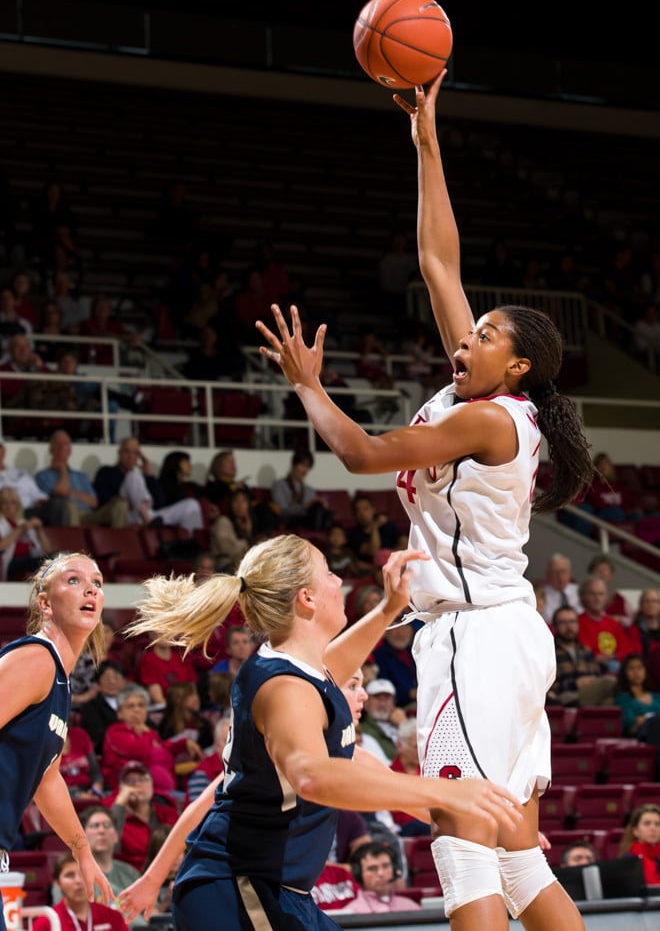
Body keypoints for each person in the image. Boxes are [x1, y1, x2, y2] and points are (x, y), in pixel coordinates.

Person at [255, 71, 594, 931]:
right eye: (472, 329)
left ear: (517, 367)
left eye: (485, 337)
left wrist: (308, 388)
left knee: (456, 835)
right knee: (516, 857)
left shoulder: (487, 422)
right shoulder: (481, 393)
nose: (467, 337)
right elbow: (439, 259)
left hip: (477, 636)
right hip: (503, 631)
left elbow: (364, 453)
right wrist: (426, 137)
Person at [116, 536, 522, 930]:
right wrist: (448, 791)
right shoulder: (286, 690)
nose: (339, 581)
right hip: (238, 887)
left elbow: (340, 666)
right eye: (328, 573)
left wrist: (388, 609)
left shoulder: (305, 672)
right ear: (306, 598)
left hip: (274, 891)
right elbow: (312, 777)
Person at [0, 551, 113, 912]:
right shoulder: (36, 658)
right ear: (45, 604)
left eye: (96, 582)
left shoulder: (59, 681)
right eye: (74, 580)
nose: (90, 590)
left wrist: (83, 855)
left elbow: (47, 780)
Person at [51, 806, 147, 928]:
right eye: (95, 826)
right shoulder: (71, 872)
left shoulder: (130, 872)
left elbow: (150, 912)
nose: (101, 831)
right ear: (83, 835)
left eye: (107, 825)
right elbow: (62, 914)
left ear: (116, 835)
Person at [101, 684, 203, 795]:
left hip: (164, 791)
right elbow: (137, 750)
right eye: (131, 706)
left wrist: (183, 744)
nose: (137, 710)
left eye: (141, 705)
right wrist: (147, 733)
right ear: (119, 713)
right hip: (132, 792)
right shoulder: (115, 732)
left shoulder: (148, 732)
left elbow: (161, 748)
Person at [93, 437, 204, 535]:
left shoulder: (145, 477)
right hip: (127, 513)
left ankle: (192, 544)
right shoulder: (107, 471)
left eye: (135, 453)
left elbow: (160, 502)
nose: (131, 456)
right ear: (119, 453)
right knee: (133, 475)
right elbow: (102, 499)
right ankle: (148, 520)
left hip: (151, 515)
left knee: (192, 504)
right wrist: (118, 499)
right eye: (127, 451)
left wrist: (149, 473)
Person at [36, 429, 130, 528]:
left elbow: (94, 502)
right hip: (65, 514)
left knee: (121, 505)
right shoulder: (43, 475)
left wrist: (70, 491)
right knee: (69, 506)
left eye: (66, 444)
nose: (62, 447)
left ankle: (119, 542)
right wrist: (63, 470)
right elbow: (61, 493)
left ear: (70, 450)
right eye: (58, 444)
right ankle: (74, 543)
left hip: (88, 514)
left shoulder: (81, 476)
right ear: (51, 450)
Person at [103, 760, 180, 873]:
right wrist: (120, 802)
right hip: (131, 878)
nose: (138, 784)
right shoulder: (115, 816)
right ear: (121, 788)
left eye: (143, 779)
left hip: (169, 875)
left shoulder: (168, 814)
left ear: (152, 785)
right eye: (130, 781)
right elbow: (108, 847)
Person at [32, 851, 130, 931]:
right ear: (58, 883)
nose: (78, 881)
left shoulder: (113, 917)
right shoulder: (46, 921)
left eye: (83, 874)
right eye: (70, 875)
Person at [546, 605, 616, 708]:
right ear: (555, 627)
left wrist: (591, 680)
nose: (569, 627)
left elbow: (597, 676)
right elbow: (546, 685)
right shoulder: (550, 652)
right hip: (564, 696)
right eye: (563, 623)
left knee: (610, 702)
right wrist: (575, 684)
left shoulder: (585, 651)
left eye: (572, 622)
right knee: (610, 682)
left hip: (589, 693)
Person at [346, 839, 421, 914]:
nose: (381, 873)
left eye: (385, 866)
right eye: (372, 868)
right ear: (358, 875)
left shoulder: (410, 907)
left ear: (394, 870)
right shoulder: (352, 913)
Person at [577, 576, 632, 675]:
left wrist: (613, 657)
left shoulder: (613, 624)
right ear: (584, 596)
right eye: (593, 594)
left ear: (606, 598)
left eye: (601, 594)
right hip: (592, 671)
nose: (597, 598)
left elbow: (626, 650)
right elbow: (584, 650)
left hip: (617, 670)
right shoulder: (577, 622)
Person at [270, 448, 333, 532]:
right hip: (289, 521)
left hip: (308, 521)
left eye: (308, 467)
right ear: (293, 464)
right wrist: (304, 506)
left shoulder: (309, 490)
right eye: (303, 465)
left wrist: (321, 505)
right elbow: (282, 511)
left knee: (319, 507)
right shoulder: (280, 485)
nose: (305, 471)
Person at [0, 485, 53, 581]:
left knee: (56, 556)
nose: (8, 507)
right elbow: (1, 546)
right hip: (10, 563)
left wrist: (39, 530)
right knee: (47, 561)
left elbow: (47, 550)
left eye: (12, 503)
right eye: (4, 503)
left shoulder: (22, 522)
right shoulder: (4, 523)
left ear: (17, 506)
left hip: (30, 559)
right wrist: (20, 529)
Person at [79, 659, 127, 755]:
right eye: (106, 678)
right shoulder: (91, 708)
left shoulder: (132, 702)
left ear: (124, 681)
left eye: (116, 677)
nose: (112, 682)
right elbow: (96, 737)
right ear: (98, 684)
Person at [137, 636, 200, 706]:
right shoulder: (148, 660)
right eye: (161, 631)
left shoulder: (182, 656)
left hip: (187, 708)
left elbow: (194, 694)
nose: (166, 635)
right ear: (151, 634)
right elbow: (158, 699)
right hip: (168, 710)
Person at [346, 492, 404, 566]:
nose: (362, 514)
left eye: (366, 509)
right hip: (374, 569)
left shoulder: (387, 525)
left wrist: (391, 555)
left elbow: (405, 542)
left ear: (373, 509)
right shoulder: (354, 535)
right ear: (354, 514)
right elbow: (373, 552)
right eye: (358, 511)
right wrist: (375, 528)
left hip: (395, 563)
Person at [357, 678, 405, 764]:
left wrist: (404, 724)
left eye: (386, 699)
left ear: (393, 702)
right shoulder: (361, 731)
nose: (382, 704)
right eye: (377, 698)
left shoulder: (401, 724)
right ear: (366, 703)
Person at [185, 715, 231, 804]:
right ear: (216, 746)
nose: (233, 746)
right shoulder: (201, 774)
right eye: (227, 741)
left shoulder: (245, 768)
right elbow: (198, 815)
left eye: (236, 741)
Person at [586, 553, 635, 627]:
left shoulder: (620, 599)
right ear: (591, 574)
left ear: (611, 575)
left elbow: (633, 619)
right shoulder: (585, 596)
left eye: (604, 569)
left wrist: (621, 619)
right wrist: (609, 619)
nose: (601, 573)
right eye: (598, 570)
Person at [617, 803, 660, 886]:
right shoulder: (629, 860)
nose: (653, 828)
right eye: (647, 824)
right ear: (635, 831)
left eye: (657, 824)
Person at [627, 587, 660, 690]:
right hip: (647, 674)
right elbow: (637, 656)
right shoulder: (634, 630)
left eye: (655, 601)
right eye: (647, 601)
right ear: (641, 605)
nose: (651, 604)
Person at [541, 553, 582, 625]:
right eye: (555, 572)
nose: (560, 576)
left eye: (563, 571)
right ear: (547, 575)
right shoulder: (541, 595)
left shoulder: (580, 592)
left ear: (569, 573)